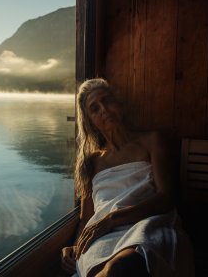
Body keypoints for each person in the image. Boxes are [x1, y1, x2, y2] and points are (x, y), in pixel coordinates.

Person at [61, 78, 177, 277]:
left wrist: (113, 219)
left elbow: (167, 197)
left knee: (117, 269)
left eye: (106, 100)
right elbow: (87, 219)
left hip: (144, 225)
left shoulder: (150, 142)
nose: (104, 109)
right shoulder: (92, 162)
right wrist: (72, 247)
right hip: (103, 235)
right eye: (95, 108)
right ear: (90, 122)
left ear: (119, 105)